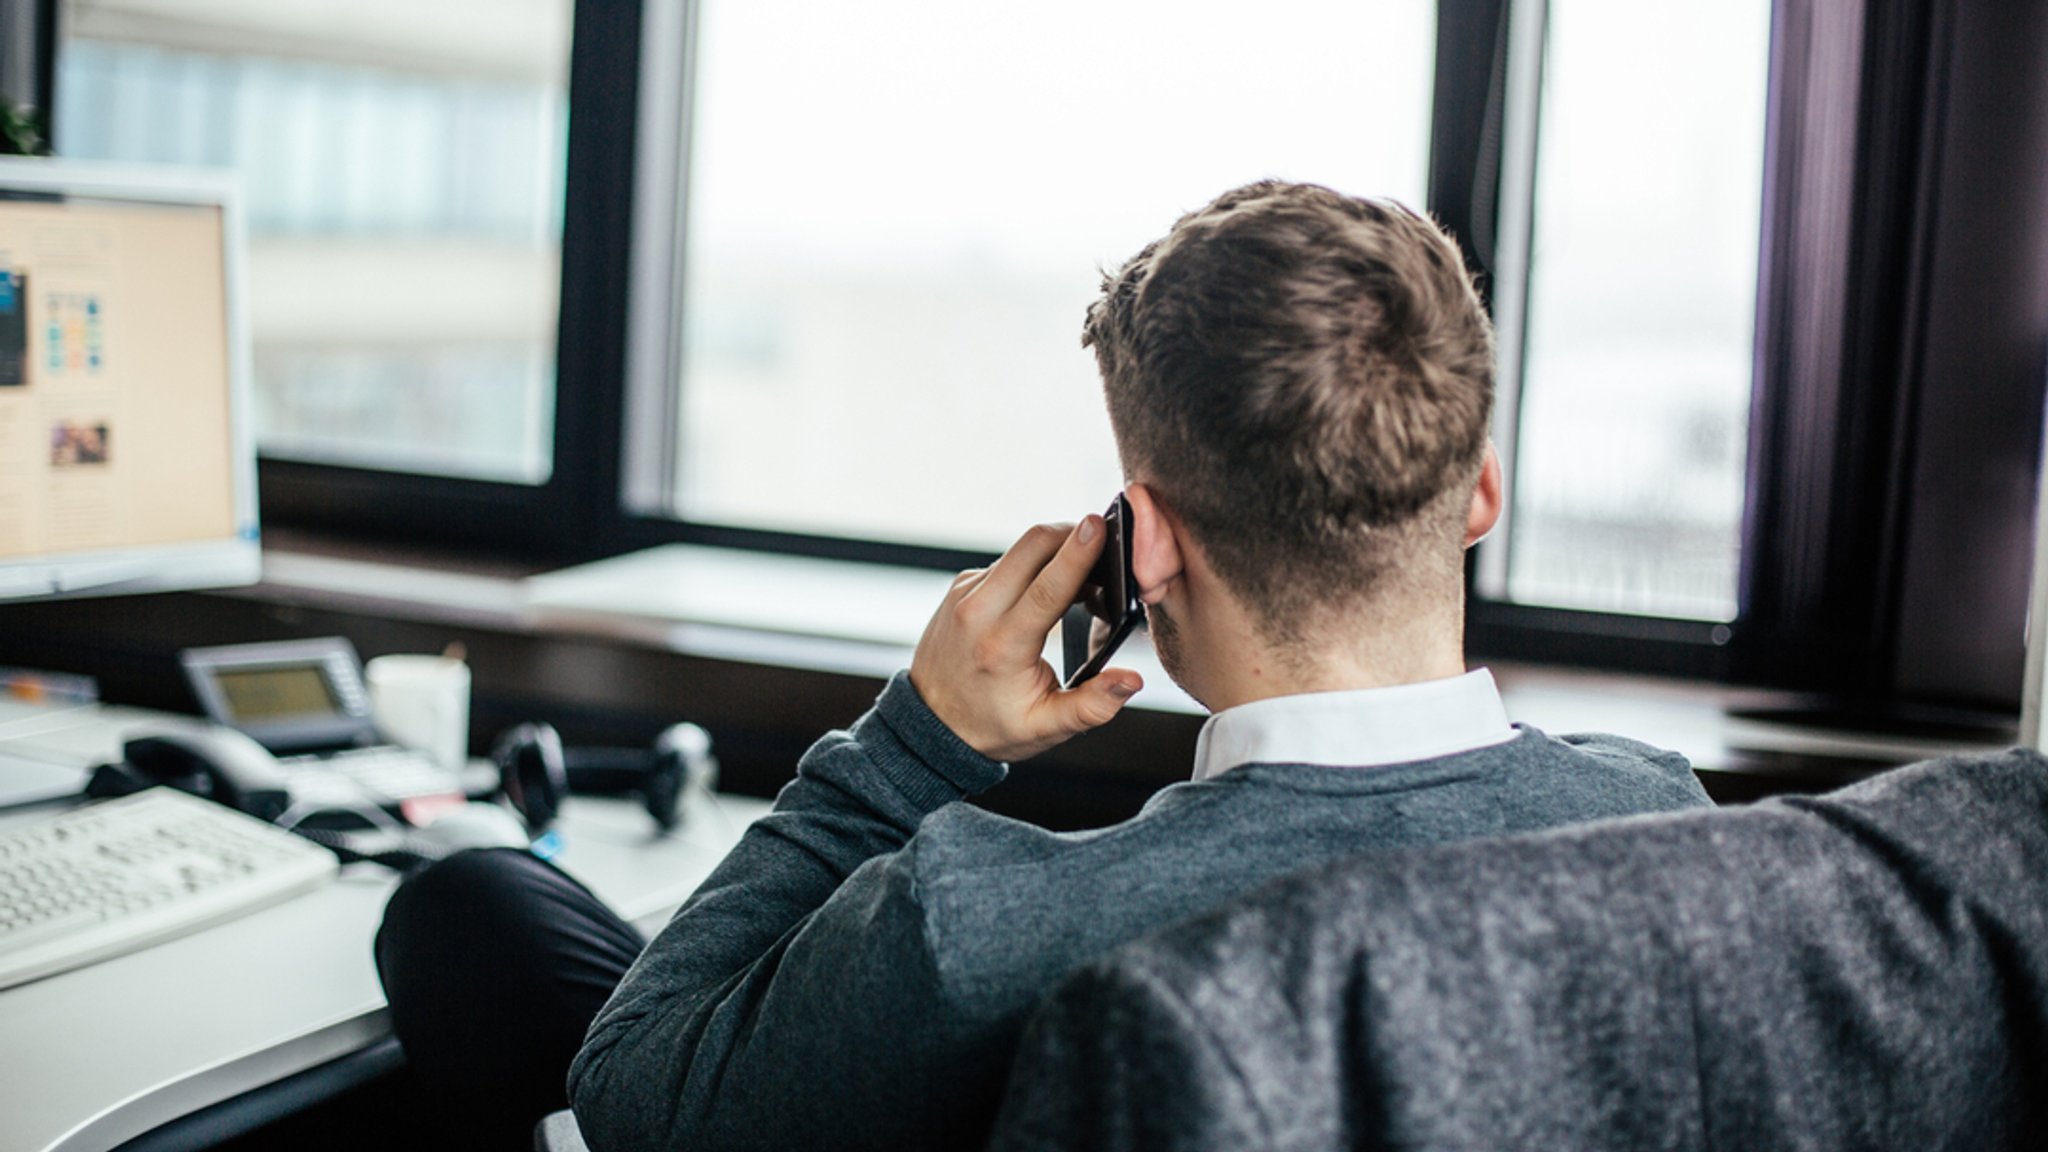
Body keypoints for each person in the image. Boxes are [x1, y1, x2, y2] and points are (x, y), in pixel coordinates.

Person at [374, 181, 1712, 1150]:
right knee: (500, 911)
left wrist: (907, 751)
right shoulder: (1667, 824)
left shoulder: (977, 931)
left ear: (1152, 542)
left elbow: (629, 1085)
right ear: (1480, 494)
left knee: (472, 914)